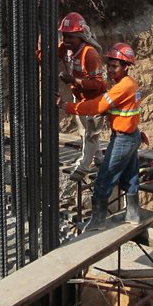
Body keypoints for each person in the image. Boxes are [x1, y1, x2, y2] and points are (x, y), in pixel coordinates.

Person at [63, 41, 142, 226]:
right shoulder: (128, 84)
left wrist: (65, 105)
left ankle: (97, 222)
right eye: (109, 65)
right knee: (130, 176)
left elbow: (97, 106)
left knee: (104, 178)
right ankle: (133, 214)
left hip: (124, 139)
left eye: (115, 66)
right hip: (132, 136)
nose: (110, 69)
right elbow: (117, 107)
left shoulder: (123, 87)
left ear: (126, 66)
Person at [57, 12, 106, 186]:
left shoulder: (89, 54)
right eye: (64, 35)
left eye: (70, 36)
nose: (66, 40)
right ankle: (99, 158)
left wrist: (73, 80)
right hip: (79, 97)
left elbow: (97, 84)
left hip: (95, 100)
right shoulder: (66, 48)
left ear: (80, 36)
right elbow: (48, 57)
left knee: (90, 134)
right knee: (85, 132)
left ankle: (83, 167)